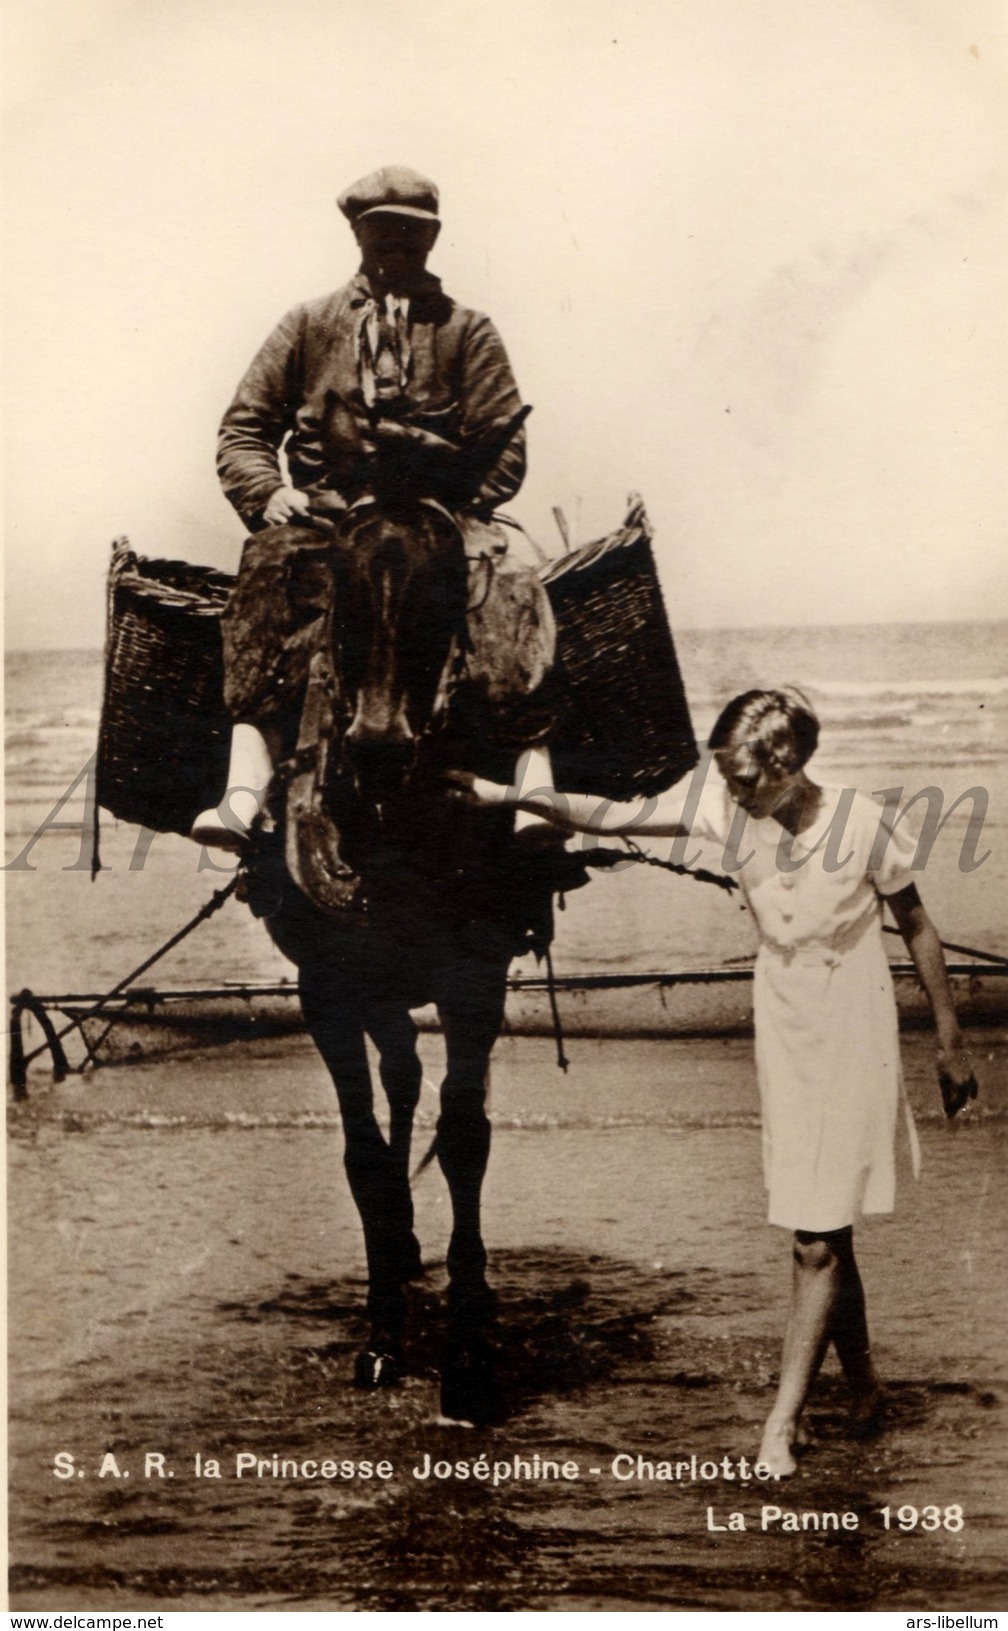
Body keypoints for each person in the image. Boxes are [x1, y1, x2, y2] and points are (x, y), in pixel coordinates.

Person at [453, 690, 978, 1475]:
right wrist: (501, 793)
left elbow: (918, 926)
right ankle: (864, 1386)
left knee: (815, 1239)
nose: (728, 790)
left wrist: (949, 1041)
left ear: (786, 761)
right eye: (724, 777)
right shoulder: (725, 810)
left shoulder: (865, 821)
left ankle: (782, 1419)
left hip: (853, 1025)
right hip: (784, 1024)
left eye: (740, 776)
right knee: (821, 1222)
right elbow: (610, 814)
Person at [192, 164, 544, 848]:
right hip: (326, 521)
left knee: (515, 578)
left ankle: (535, 780)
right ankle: (245, 780)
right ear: (357, 233)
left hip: (442, 522)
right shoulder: (307, 325)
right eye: (381, 231)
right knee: (264, 568)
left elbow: (507, 452)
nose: (396, 246)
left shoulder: (468, 330)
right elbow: (242, 431)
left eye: (412, 234)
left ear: (433, 240)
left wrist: (454, 499)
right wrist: (269, 493)